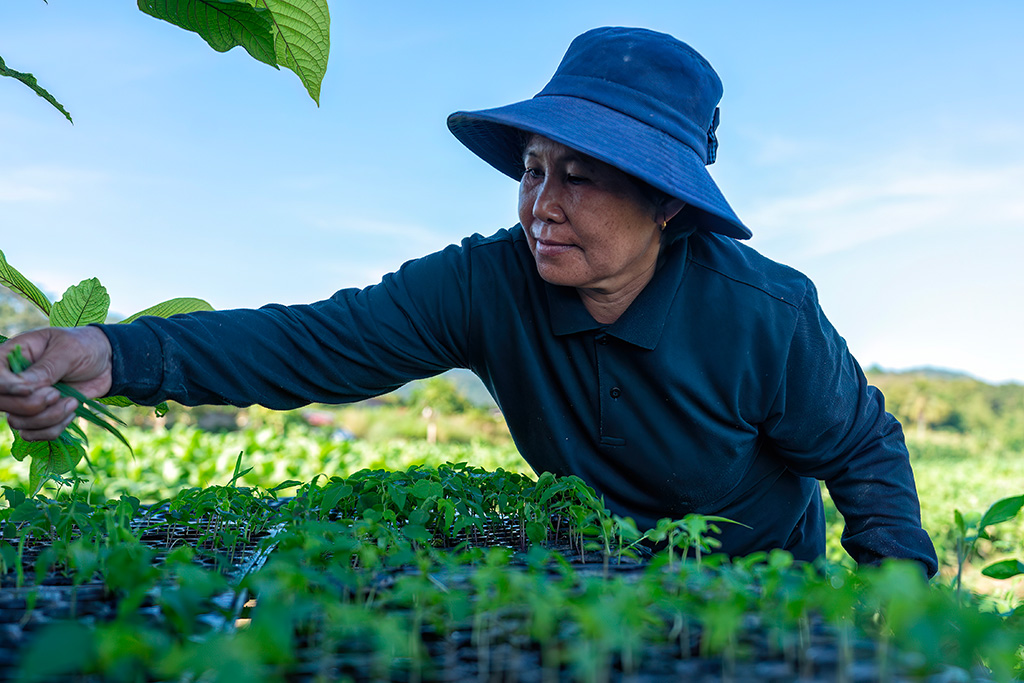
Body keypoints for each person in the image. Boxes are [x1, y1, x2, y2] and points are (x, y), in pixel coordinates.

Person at [0, 27, 938, 576]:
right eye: (533, 170)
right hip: (598, 580)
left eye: (581, 176)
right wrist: (111, 354)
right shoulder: (488, 284)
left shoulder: (762, 315)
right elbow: (313, 344)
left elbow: (861, 452)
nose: (541, 204)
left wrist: (892, 614)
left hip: (755, 589)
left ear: (665, 204)